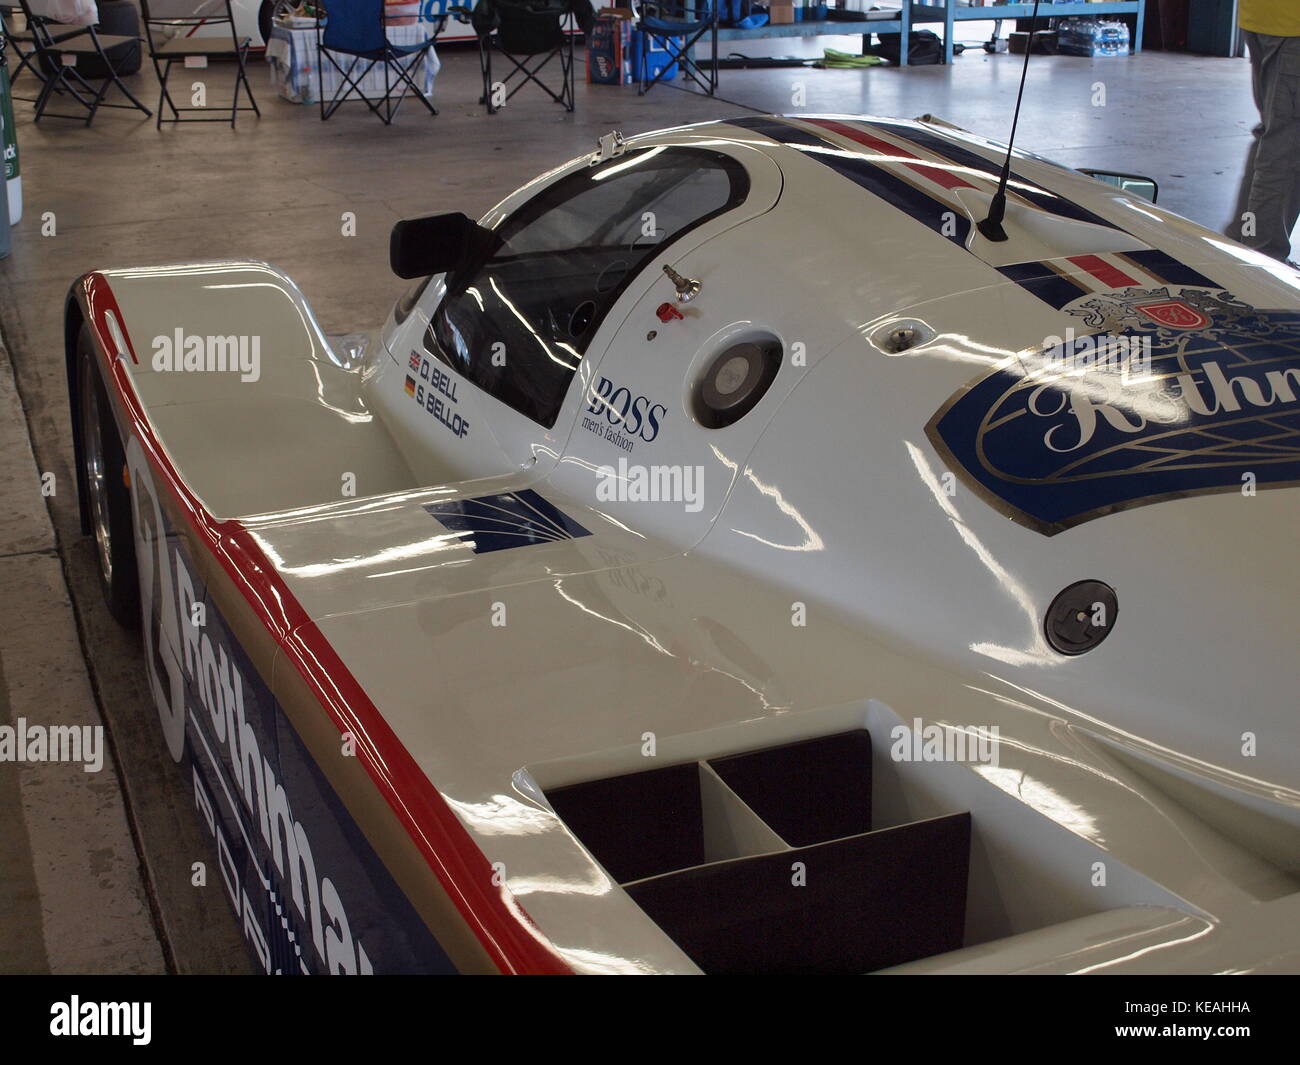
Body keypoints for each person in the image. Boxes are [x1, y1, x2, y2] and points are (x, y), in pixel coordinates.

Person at [1229, 1, 1300, 262]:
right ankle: (1262, 260)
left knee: (1275, 137)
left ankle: (1240, 244)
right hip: (1293, 26)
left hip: (1262, 16)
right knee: (1287, 146)